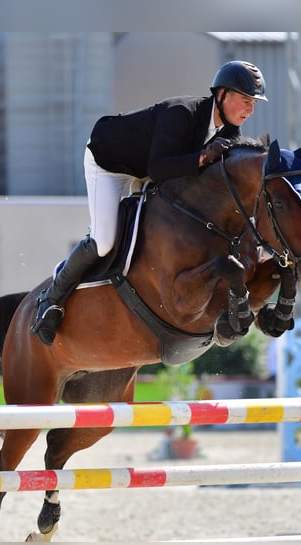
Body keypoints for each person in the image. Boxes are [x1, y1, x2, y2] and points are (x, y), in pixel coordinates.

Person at [31, 60, 268, 345]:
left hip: (152, 170)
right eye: (245, 100)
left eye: (253, 103)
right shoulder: (182, 112)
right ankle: (52, 298)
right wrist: (203, 158)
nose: (250, 109)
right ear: (221, 94)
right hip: (111, 163)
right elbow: (158, 168)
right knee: (104, 241)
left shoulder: (229, 133)